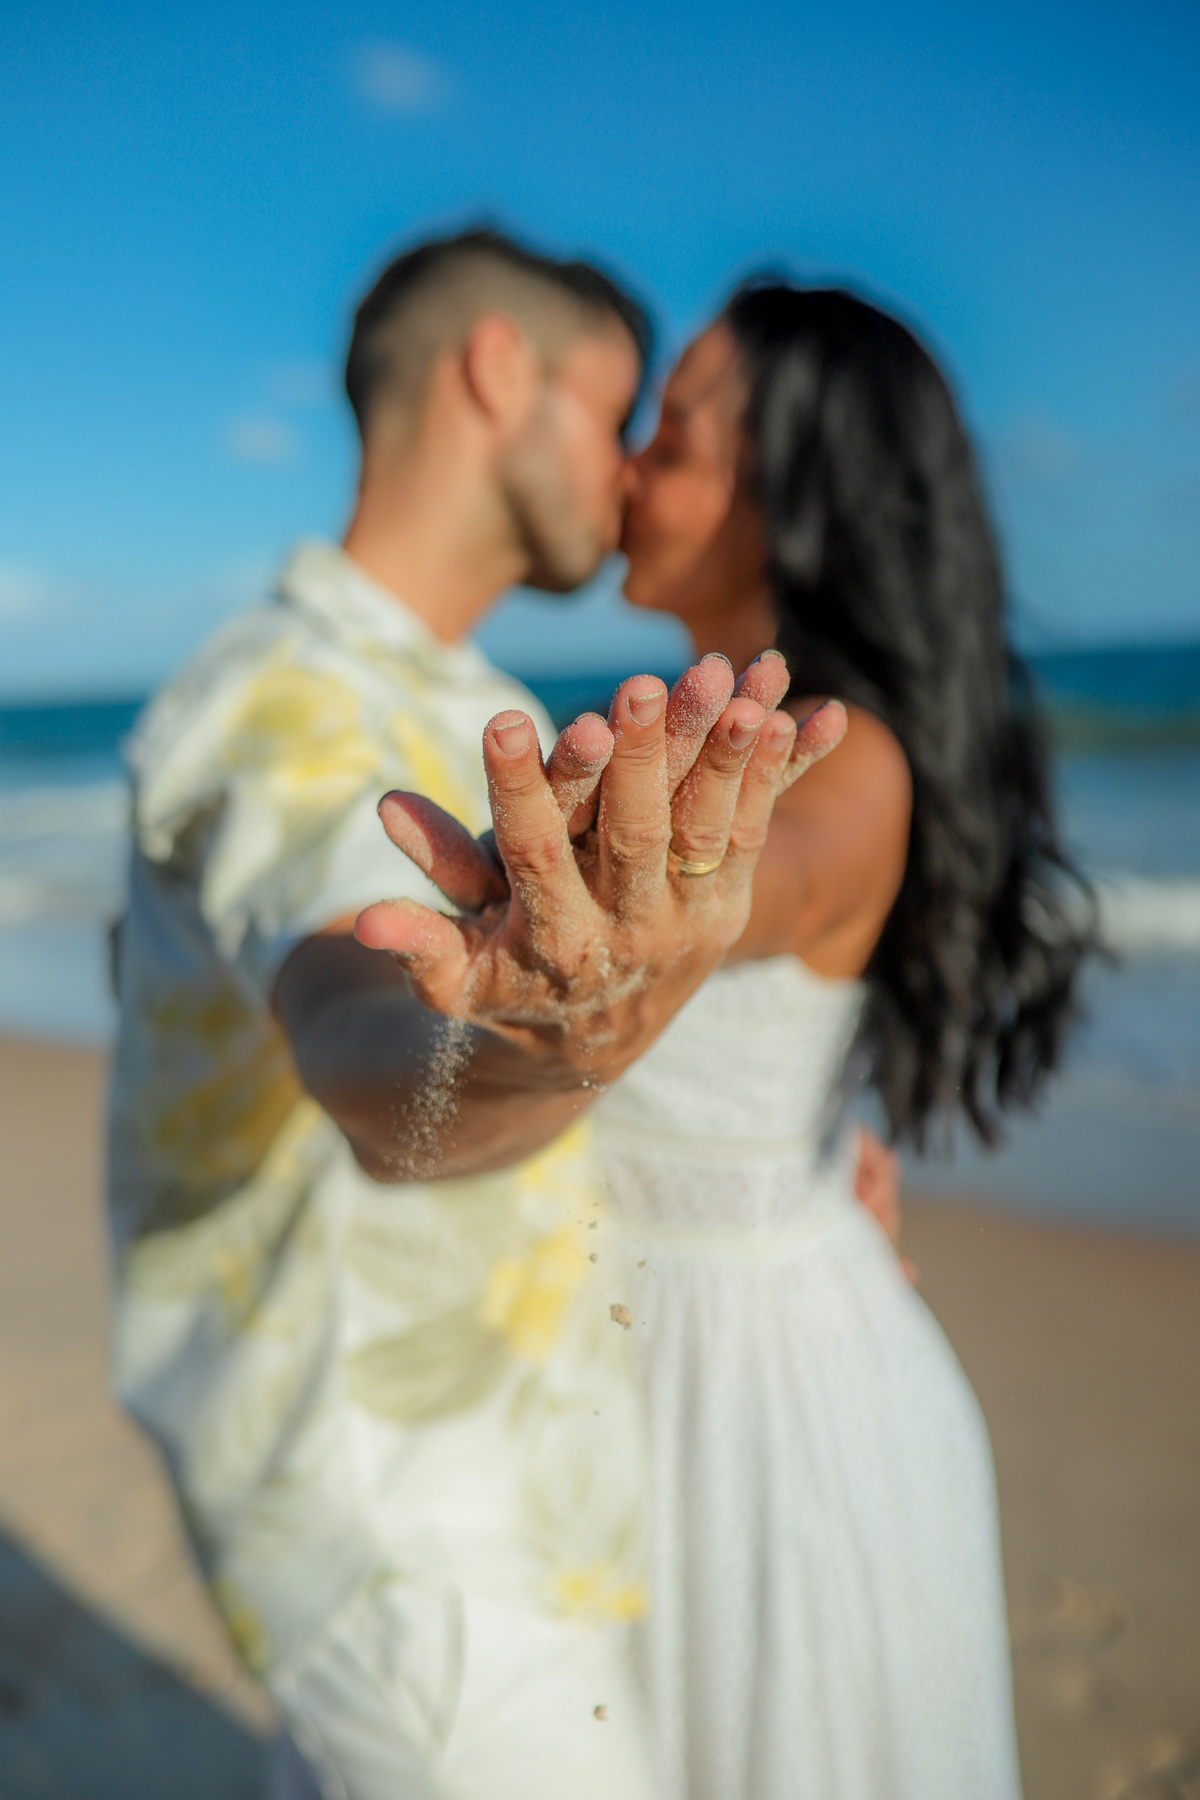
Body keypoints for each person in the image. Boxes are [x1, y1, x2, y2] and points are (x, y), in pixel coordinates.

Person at [107, 229, 844, 1800]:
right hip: (412, 1545)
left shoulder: (465, 698)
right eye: (615, 410)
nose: (634, 470)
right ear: (498, 371)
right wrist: (553, 1035)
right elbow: (370, 1053)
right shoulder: (289, 699)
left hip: (496, 1511)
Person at [586, 283, 1091, 1799]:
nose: (623, 468)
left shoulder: (845, 756)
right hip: (654, 1346)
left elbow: (771, 876)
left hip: (747, 1403)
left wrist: (664, 893)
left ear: (794, 493)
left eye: (668, 434)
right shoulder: (721, 723)